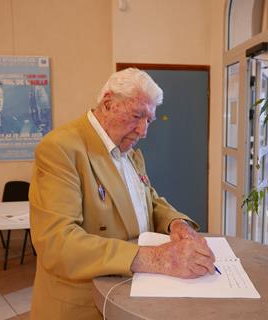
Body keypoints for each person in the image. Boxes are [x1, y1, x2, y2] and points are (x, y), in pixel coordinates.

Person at [29, 68, 215, 319]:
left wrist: (177, 223)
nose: (143, 131)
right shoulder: (60, 149)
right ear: (108, 104)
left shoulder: (129, 151)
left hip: (126, 294)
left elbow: (148, 199)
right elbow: (57, 243)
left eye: (148, 120)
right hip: (82, 305)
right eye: (137, 116)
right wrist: (158, 259)